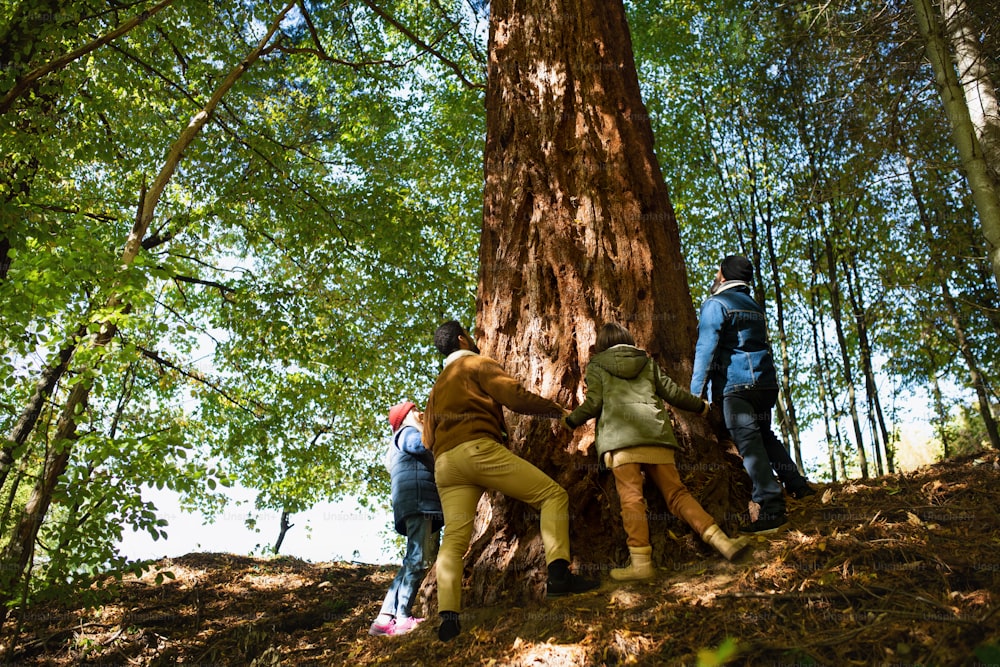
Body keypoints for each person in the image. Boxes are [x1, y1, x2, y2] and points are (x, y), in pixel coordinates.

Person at [424, 320, 599, 642]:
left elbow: (426, 439)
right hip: (478, 450)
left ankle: (449, 618)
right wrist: (555, 409)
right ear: (462, 339)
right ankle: (559, 576)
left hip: (445, 465)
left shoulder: (436, 388)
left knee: (454, 540)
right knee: (552, 496)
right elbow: (515, 398)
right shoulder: (476, 363)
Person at [564, 323, 750, 580]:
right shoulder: (646, 362)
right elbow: (672, 393)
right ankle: (722, 542)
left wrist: (571, 420)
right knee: (677, 494)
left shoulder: (597, 365)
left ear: (603, 345)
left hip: (621, 443)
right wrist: (702, 407)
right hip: (656, 438)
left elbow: (594, 403)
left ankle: (641, 563)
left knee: (631, 500)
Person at [690, 255, 816, 534]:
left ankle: (772, 507)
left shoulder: (716, 304)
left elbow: (706, 350)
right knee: (765, 435)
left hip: (737, 386)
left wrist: (694, 393)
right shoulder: (753, 306)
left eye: (717, 270)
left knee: (750, 443)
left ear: (723, 274)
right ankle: (797, 485)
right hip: (764, 385)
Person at [368, 401, 444, 637]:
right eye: (414, 411)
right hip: (419, 503)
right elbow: (420, 446)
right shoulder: (407, 433)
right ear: (406, 417)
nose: (419, 413)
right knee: (417, 560)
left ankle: (383, 619)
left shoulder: (397, 441)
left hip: (412, 504)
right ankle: (402, 618)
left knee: (410, 560)